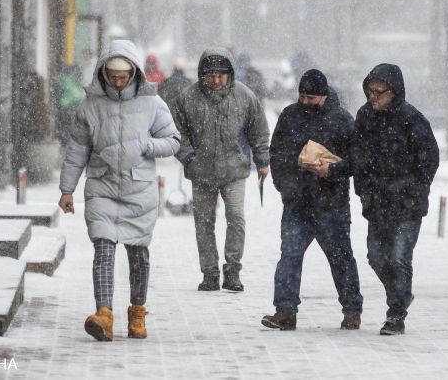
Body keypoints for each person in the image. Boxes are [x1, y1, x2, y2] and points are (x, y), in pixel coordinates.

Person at [58, 39, 180, 342]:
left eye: (123, 75)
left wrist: (147, 145)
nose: (117, 81)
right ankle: (104, 314)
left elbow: (173, 140)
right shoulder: (89, 106)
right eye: (112, 75)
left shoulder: (153, 103)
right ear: (103, 72)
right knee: (103, 249)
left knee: (138, 254)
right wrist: (67, 189)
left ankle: (137, 313)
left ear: (134, 73)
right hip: (102, 185)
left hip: (139, 189)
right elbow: (76, 150)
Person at [261, 69, 363, 331]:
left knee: (340, 258)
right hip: (296, 202)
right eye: (302, 96)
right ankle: (285, 311)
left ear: (324, 96)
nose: (305, 102)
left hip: (331, 204)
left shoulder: (342, 120)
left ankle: (352, 310)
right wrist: (284, 186)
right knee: (289, 255)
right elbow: (278, 152)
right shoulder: (289, 115)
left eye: (311, 97)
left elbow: (357, 160)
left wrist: (332, 171)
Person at [170, 47, 270, 292]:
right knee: (204, 223)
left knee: (236, 218)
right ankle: (210, 273)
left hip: (235, 169)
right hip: (201, 170)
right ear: (202, 74)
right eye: (210, 75)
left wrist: (262, 160)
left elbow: (258, 130)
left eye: (221, 75)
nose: (216, 80)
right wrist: (189, 158)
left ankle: (233, 270)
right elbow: (176, 132)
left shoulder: (244, 97)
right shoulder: (188, 98)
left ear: (230, 74)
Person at [351, 63, 439, 335]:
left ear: (394, 91)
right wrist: (364, 190)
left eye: (380, 91)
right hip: (378, 202)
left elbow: (429, 159)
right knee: (376, 257)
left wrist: (413, 190)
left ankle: (395, 315)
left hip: (407, 204)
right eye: (370, 90)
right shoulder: (364, 117)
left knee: (400, 257)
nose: (373, 96)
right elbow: (359, 156)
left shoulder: (411, 119)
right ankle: (400, 294)